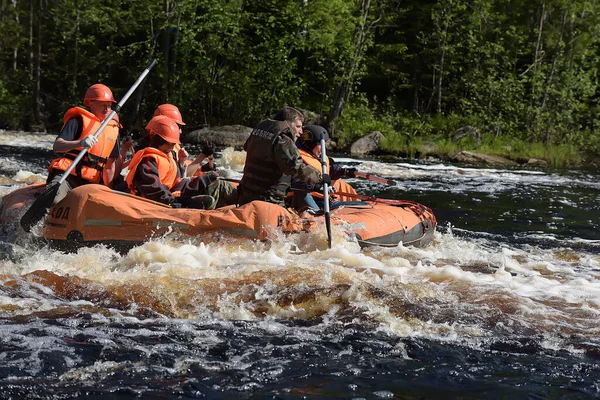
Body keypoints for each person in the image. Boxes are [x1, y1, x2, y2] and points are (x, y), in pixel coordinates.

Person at [46, 83, 132, 204]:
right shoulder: (77, 121)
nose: (107, 109)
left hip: (92, 183)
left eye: (109, 105)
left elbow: (109, 167)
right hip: (68, 177)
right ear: (91, 103)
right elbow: (57, 146)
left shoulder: (113, 130)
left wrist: (109, 190)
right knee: (55, 201)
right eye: (103, 105)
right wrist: (80, 143)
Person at [124, 115, 220, 209]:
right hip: (152, 204)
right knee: (201, 204)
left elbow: (178, 183)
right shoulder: (148, 160)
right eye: (169, 143)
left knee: (207, 199)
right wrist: (172, 203)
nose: (172, 147)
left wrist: (204, 180)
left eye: (173, 144)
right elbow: (153, 189)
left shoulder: (167, 156)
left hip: (168, 198)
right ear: (158, 140)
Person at [237, 106, 327, 206]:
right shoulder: (283, 139)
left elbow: (246, 147)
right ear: (288, 123)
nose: (301, 132)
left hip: (245, 197)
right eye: (298, 127)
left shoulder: (260, 131)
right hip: (268, 201)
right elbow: (296, 168)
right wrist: (321, 178)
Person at [290, 125, 363, 212]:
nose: (323, 149)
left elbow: (330, 170)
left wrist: (345, 172)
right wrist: (319, 188)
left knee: (360, 205)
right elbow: (295, 183)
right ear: (311, 144)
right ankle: (316, 214)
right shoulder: (298, 160)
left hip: (322, 199)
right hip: (307, 200)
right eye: (321, 144)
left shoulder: (319, 156)